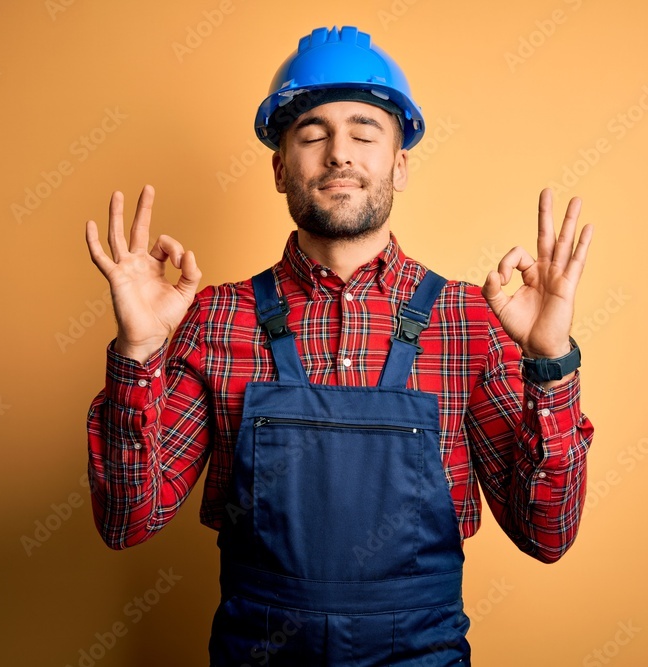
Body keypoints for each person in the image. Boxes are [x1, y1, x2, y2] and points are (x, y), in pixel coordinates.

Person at [84, 25, 594, 666]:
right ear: (279, 167)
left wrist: (551, 364)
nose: (338, 155)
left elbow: (548, 535)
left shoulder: (471, 320)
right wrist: (138, 351)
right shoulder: (215, 318)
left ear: (398, 163)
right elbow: (126, 522)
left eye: (364, 131)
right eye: (312, 133)